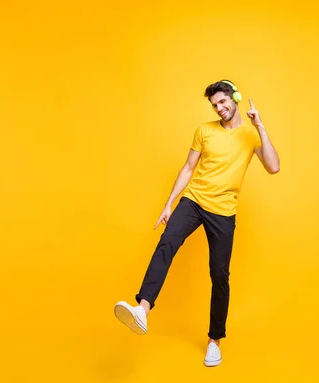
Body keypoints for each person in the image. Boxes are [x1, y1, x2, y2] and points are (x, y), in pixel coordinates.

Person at [114, 79, 280, 367]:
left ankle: (215, 340)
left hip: (223, 212)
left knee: (219, 275)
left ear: (235, 98)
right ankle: (142, 309)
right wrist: (169, 204)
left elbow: (273, 167)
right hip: (194, 200)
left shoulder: (251, 136)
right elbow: (188, 167)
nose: (219, 108)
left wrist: (261, 127)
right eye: (214, 105)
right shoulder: (204, 130)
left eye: (223, 102)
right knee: (167, 242)